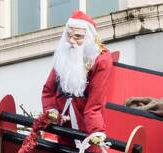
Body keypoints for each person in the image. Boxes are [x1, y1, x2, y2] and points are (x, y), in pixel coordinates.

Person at [41, 10, 111, 145]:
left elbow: (95, 103)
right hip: (62, 124)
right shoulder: (63, 54)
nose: (72, 41)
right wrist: (52, 111)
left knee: (89, 151)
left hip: (85, 123)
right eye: (69, 35)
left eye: (78, 36)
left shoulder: (100, 60)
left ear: (89, 38)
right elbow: (48, 90)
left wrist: (96, 130)